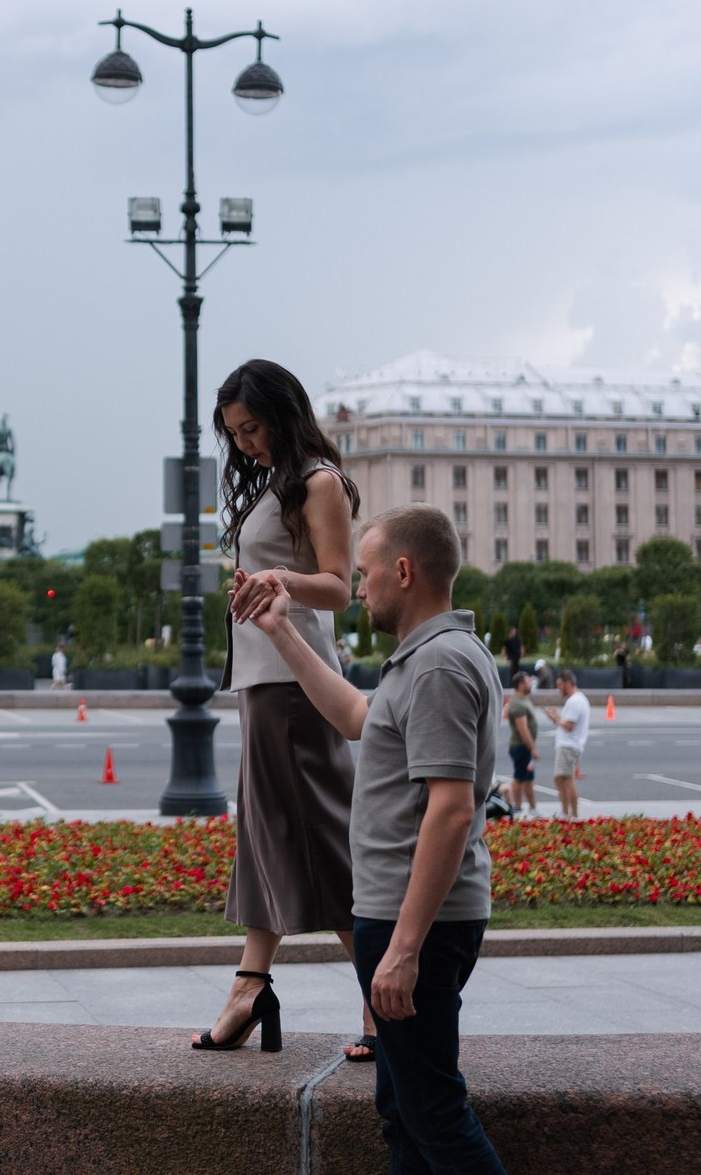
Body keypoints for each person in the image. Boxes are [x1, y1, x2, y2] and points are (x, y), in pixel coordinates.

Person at [249, 503, 507, 1174]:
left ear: (402, 570)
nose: (356, 589)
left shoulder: (440, 666)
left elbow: (450, 811)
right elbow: (356, 717)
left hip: (409, 918)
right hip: (395, 913)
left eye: (363, 576)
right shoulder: (425, 658)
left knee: (435, 1115)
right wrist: (281, 631)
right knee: (404, 1115)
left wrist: (404, 949)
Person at [194, 359, 375, 1062]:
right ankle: (250, 983)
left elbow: (336, 587)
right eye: (234, 433)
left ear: (283, 414)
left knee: (322, 841)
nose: (244, 443)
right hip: (263, 683)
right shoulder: (272, 483)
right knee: (267, 836)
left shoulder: (318, 482)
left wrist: (278, 578)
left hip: (299, 686)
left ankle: (383, 995)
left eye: (253, 427)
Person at [544, 668, 589, 820]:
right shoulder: (577, 699)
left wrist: (556, 718)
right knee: (560, 778)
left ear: (568, 683)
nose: (558, 689)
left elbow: (569, 725)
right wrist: (556, 717)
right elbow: (567, 723)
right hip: (569, 744)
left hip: (569, 744)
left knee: (565, 778)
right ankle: (566, 812)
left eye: (560, 685)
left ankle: (572, 814)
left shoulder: (575, 700)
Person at [506, 671, 540, 817]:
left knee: (528, 778)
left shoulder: (523, 699)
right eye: (527, 682)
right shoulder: (518, 703)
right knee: (519, 778)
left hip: (525, 747)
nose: (530, 684)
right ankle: (516, 807)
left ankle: (532, 808)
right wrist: (532, 748)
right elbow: (522, 728)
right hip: (521, 746)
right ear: (520, 685)